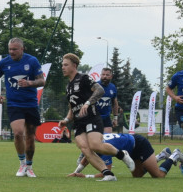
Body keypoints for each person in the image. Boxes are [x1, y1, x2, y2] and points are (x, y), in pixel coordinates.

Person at [57, 53, 135, 182]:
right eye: (62, 65)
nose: (62, 67)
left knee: (95, 146)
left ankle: (122, 154)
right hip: (78, 123)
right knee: (85, 150)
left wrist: (88, 103)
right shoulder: (68, 86)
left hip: (91, 118)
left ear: (74, 66)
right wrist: (66, 120)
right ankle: (108, 174)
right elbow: (72, 107)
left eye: (65, 65)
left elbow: (100, 90)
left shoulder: (83, 78)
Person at [0, 37, 46, 177]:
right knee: (17, 133)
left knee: (30, 137)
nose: (12, 52)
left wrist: (29, 83)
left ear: (22, 49)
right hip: (14, 104)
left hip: (31, 104)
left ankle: (29, 165)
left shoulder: (32, 61)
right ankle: (22, 164)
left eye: (15, 49)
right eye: (10, 49)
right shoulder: (4, 63)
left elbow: (42, 81)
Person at [70, 134, 183, 178]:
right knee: (137, 175)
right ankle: (161, 156)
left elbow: (106, 172)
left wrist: (86, 176)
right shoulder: (94, 141)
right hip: (130, 147)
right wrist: (76, 172)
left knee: (158, 176)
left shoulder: (102, 148)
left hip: (139, 144)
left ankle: (174, 155)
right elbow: (88, 156)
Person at [96, 67, 120, 133]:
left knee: (108, 138)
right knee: (96, 139)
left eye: (107, 75)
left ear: (111, 76)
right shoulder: (95, 86)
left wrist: (115, 118)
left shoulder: (112, 87)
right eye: (103, 74)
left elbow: (115, 103)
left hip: (106, 117)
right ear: (100, 75)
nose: (105, 77)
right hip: (95, 117)